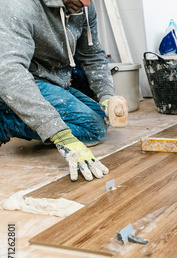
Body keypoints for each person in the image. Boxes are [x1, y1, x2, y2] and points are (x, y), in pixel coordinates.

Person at [0, 0, 123, 182]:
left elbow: (92, 54)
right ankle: (4, 121)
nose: (86, 3)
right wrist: (59, 134)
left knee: (100, 117)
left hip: (52, 80)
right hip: (18, 81)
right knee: (92, 129)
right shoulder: (17, 5)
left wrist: (106, 96)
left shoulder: (84, 5)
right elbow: (9, 71)